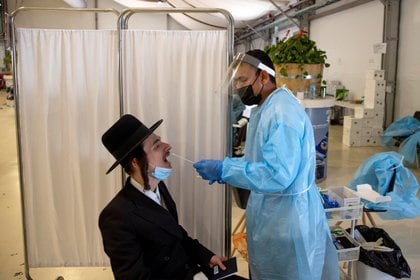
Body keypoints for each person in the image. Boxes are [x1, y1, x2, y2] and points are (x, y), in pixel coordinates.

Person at [193, 50, 339, 279]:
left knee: (289, 272)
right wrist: (228, 167)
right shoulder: (267, 107)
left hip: (288, 221)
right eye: (237, 80)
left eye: (243, 79)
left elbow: (277, 174)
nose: (239, 87)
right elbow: (259, 160)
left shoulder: (282, 114)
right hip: (274, 213)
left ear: (263, 77)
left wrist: (225, 169)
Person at [99, 114, 231, 280]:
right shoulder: (117, 216)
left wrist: (207, 256)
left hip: (193, 271)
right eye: (156, 146)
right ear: (136, 162)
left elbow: (176, 234)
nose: (167, 146)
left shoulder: (159, 187)